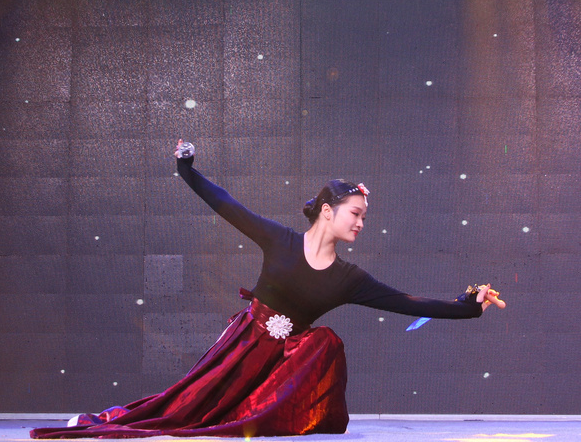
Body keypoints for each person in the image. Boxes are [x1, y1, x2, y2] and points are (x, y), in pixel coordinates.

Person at [30, 141, 505, 439]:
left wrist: (469, 306)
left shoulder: (349, 279)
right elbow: (226, 204)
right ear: (327, 211)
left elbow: (407, 303)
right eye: (355, 214)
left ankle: (280, 418)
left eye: (364, 217)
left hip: (282, 369)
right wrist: (187, 170)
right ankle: (107, 423)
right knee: (184, 411)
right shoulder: (280, 241)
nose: (361, 223)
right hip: (242, 348)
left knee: (324, 341)